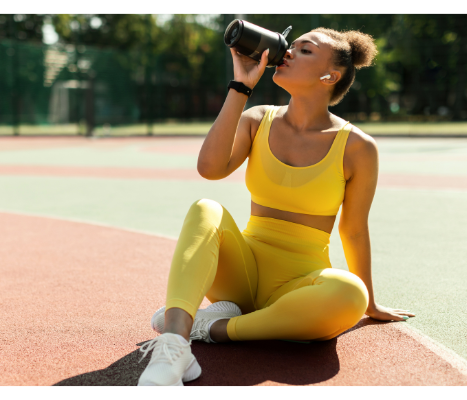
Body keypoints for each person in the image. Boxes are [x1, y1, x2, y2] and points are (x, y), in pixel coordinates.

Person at [136, 27, 415, 386]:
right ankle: (173, 345)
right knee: (206, 208)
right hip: (240, 276)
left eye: (305, 50)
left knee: (351, 293)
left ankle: (213, 328)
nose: (288, 52)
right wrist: (240, 86)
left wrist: (370, 303)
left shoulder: (358, 147)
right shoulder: (258, 118)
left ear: (330, 76)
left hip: (297, 289)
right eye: (291, 45)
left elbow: (354, 228)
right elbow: (210, 169)